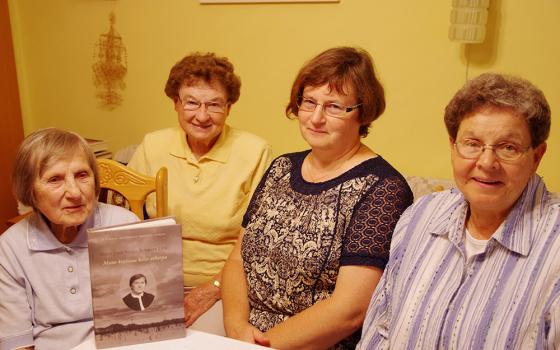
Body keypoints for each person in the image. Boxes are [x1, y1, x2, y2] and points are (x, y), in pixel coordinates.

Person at [222, 47, 413, 349]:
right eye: (309, 102)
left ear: (363, 112)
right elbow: (236, 259)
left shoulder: (383, 188)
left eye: (335, 106)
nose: (316, 118)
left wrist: (260, 346)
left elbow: (349, 311)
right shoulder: (282, 167)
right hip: (241, 339)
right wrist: (235, 329)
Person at [358, 73, 560, 349]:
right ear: (453, 147)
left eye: (508, 148)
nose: (487, 163)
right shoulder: (420, 217)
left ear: (536, 156)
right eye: (472, 144)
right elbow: (379, 331)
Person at [127, 52, 272, 326]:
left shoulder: (254, 152)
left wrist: (215, 286)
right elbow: (124, 217)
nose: (202, 116)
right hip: (150, 281)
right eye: (191, 102)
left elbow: (259, 241)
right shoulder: (152, 145)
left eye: (214, 104)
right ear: (176, 103)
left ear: (229, 108)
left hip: (223, 285)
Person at [0, 128, 138, 350]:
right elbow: (17, 342)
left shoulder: (125, 225)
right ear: (30, 191)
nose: (75, 192)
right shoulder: (10, 248)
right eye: (55, 179)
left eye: (82, 175)